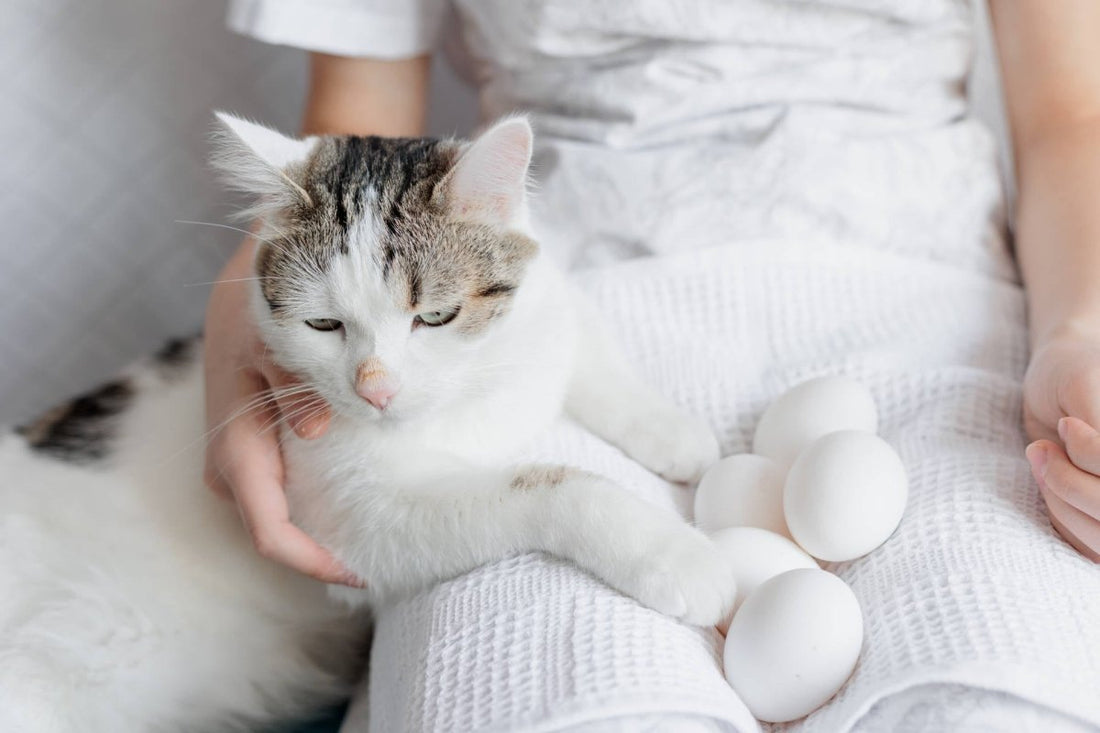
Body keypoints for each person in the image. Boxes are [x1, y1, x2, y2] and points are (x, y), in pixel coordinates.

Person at [204, 0, 1100, 591]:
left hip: (933, 309)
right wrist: (240, 330)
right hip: (550, 340)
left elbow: (1074, 113)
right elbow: (355, 136)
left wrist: (1079, 329)